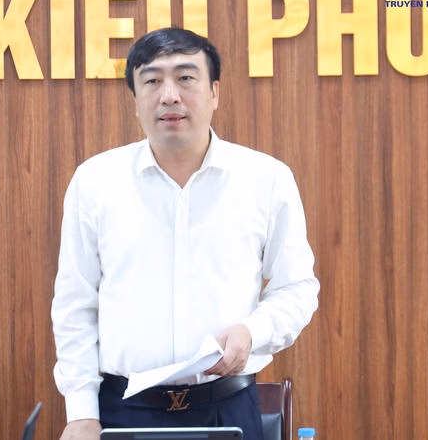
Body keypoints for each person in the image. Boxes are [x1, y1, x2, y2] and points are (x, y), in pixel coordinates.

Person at [51, 27, 319, 440]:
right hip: (123, 411)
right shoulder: (95, 182)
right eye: (152, 81)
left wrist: (254, 331)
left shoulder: (266, 179)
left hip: (227, 407)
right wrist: (81, 412)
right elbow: (75, 304)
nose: (169, 95)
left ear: (214, 92)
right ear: (135, 99)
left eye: (186, 77)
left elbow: (297, 288)